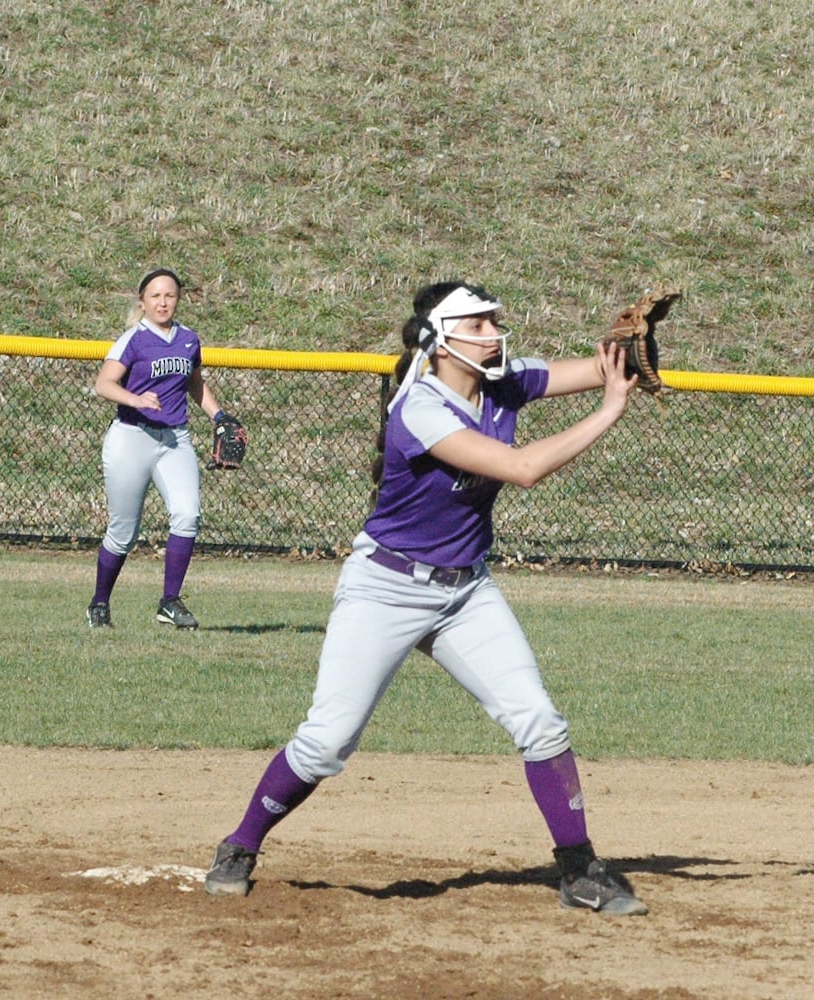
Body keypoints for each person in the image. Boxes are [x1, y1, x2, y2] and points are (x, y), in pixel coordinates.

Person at [203, 280, 649, 916]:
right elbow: (522, 469)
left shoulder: (503, 380)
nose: (493, 333)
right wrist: (607, 411)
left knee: (540, 720)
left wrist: (628, 352)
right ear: (441, 343)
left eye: (493, 322)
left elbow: (598, 368)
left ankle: (580, 871)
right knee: (327, 742)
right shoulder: (420, 408)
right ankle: (241, 844)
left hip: (465, 590)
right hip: (385, 587)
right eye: (477, 325)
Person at [88, 267, 239, 630]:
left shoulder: (189, 339)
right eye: (155, 295)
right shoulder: (133, 339)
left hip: (175, 439)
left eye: (169, 295)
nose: (163, 302)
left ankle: (169, 601)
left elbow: (195, 385)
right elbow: (104, 384)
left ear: (178, 299)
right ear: (142, 302)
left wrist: (220, 416)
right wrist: (136, 399)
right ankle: (99, 602)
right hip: (132, 437)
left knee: (187, 515)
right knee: (123, 531)